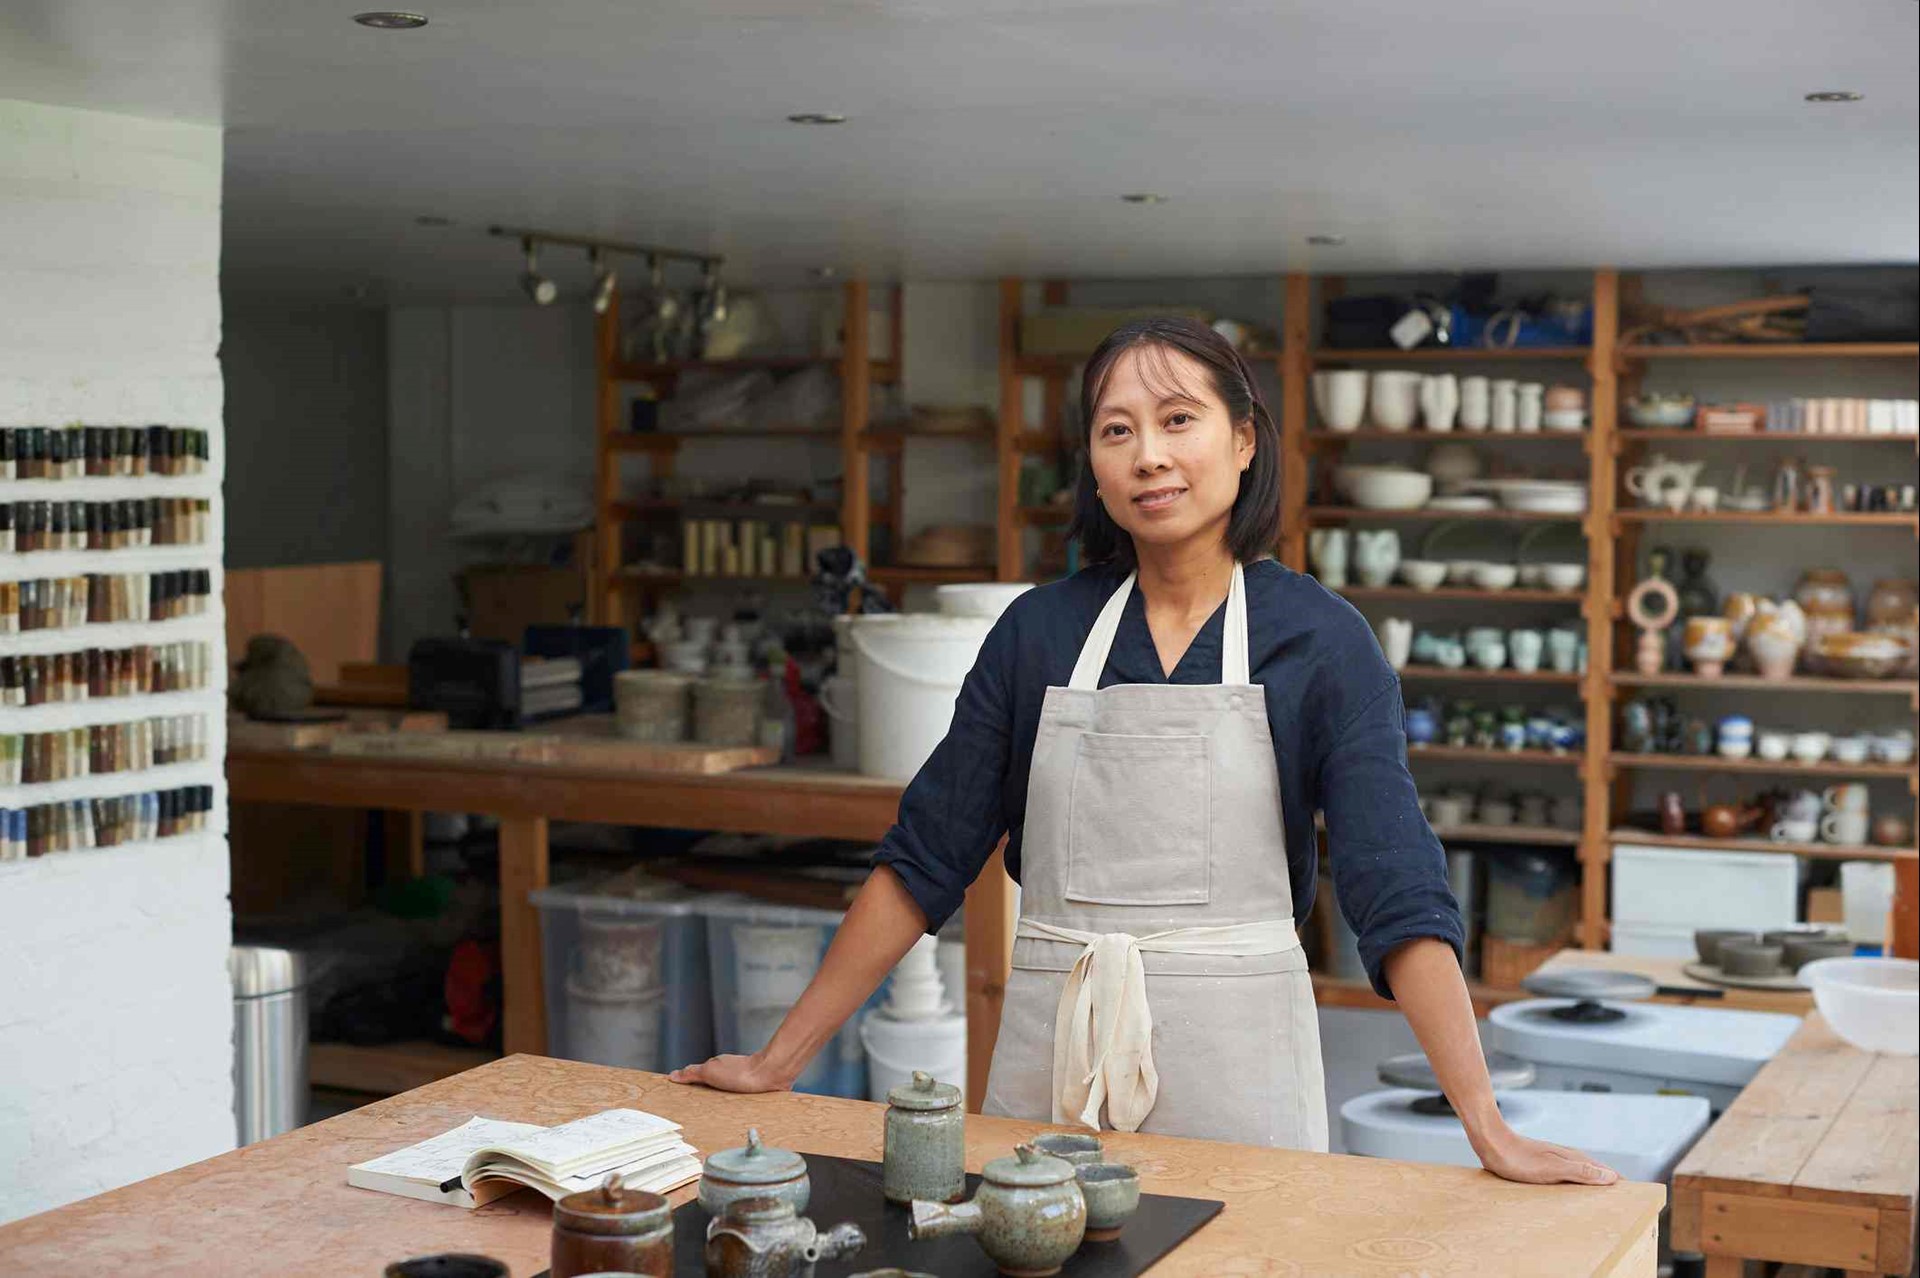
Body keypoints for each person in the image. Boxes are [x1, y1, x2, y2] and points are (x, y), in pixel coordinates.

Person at [672, 316, 1617, 1186]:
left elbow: (1396, 888)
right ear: (1091, 462)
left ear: (1243, 441)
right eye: (1116, 431)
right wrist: (776, 1062)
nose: (1149, 456)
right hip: (1053, 1064)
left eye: (1177, 420)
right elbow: (925, 859)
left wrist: (1485, 1125)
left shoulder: (1321, 643)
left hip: (1242, 1075)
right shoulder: (1036, 635)